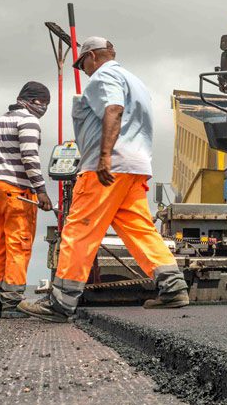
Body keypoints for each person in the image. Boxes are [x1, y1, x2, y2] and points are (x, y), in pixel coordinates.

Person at [20, 37, 189, 322]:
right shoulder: (136, 81)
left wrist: (104, 156)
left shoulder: (103, 76)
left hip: (108, 168)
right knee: (139, 229)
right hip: (135, 167)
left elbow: (114, 109)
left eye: (83, 62)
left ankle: (61, 302)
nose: (83, 69)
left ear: (94, 56)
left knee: (79, 229)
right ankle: (173, 287)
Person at [0, 82, 53, 318]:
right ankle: (12, 302)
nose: (44, 108)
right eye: (44, 104)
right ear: (35, 101)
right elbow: (30, 158)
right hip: (16, 189)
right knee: (18, 242)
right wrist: (41, 190)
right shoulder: (29, 121)